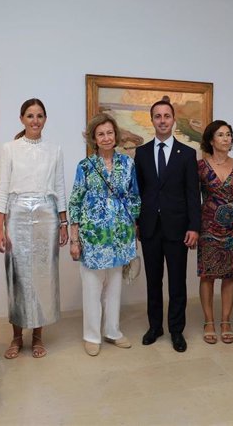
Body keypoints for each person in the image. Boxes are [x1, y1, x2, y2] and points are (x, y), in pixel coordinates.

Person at [0, 98, 68, 360]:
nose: (35, 120)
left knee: (42, 276)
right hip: (18, 214)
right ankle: (16, 336)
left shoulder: (55, 149)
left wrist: (63, 222)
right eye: (30, 116)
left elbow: (59, 186)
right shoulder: (9, 148)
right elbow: (2, 187)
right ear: (22, 119)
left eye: (39, 116)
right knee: (18, 276)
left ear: (45, 119)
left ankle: (37, 336)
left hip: (47, 215)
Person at [68, 113, 140, 356]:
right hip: (93, 235)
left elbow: (134, 196)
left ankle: (113, 331)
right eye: (101, 134)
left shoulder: (127, 163)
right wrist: (75, 238)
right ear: (93, 138)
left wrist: (132, 227)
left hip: (120, 234)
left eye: (110, 132)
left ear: (115, 135)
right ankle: (91, 335)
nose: (106, 137)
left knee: (115, 286)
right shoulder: (85, 166)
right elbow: (75, 202)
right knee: (92, 286)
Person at [134, 97, 201, 352]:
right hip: (150, 228)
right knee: (153, 282)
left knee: (177, 283)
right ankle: (155, 327)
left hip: (178, 228)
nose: (162, 120)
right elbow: (137, 192)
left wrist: (194, 227)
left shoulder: (187, 154)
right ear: (152, 121)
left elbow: (193, 195)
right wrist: (138, 223)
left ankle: (176, 330)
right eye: (158, 116)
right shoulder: (141, 153)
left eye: (167, 116)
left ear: (173, 120)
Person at [197, 120, 233, 344]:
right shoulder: (200, 167)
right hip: (208, 228)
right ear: (211, 140)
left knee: (230, 276)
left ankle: (226, 321)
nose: (226, 139)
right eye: (221, 135)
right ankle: (209, 321)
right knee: (207, 275)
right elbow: (192, 199)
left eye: (229, 135)